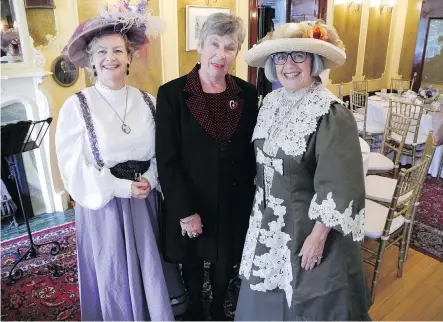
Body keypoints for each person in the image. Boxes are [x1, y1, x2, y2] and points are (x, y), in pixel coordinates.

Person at [55, 5, 186, 321]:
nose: (110, 57)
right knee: (114, 269)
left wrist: (151, 180)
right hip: (106, 207)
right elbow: (72, 167)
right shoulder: (77, 107)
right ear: (91, 61)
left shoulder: (148, 102)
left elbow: (165, 153)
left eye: (117, 50)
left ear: (130, 57)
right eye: (101, 51)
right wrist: (120, 187)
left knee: (152, 268)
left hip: (147, 201)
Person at [236, 20, 372, 321]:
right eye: (281, 57)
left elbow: (341, 182)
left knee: (306, 302)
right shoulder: (270, 101)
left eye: (299, 55)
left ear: (314, 61)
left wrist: (318, 237)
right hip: (267, 222)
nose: (289, 65)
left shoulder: (331, 113)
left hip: (307, 231)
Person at [156, 13, 258, 321]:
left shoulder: (247, 94)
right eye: (214, 43)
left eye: (230, 47)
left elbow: (251, 153)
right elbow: (167, 159)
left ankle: (217, 308)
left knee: (225, 261)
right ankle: (197, 310)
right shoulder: (172, 94)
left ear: (237, 53)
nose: (221, 54)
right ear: (200, 45)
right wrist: (185, 212)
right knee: (192, 261)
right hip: (192, 198)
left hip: (233, 199)